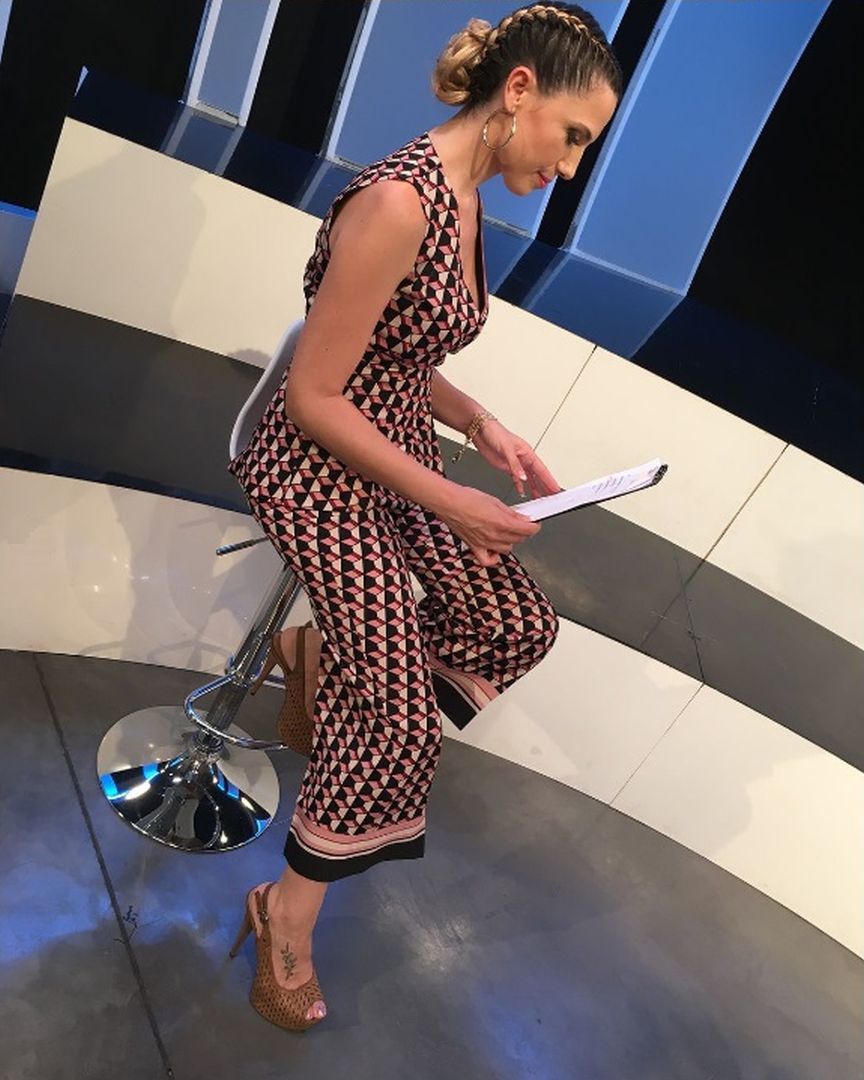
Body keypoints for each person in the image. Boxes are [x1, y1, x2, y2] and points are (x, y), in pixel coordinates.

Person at [227, 1, 622, 1032]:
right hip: (315, 470)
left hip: (392, 445)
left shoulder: (467, 194)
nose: (569, 165)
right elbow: (315, 395)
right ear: (519, 92)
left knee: (514, 623)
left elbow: (397, 351)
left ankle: (331, 668)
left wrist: (482, 424)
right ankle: (284, 915)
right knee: (399, 727)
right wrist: (452, 497)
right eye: (572, 136)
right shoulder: (400, 203)